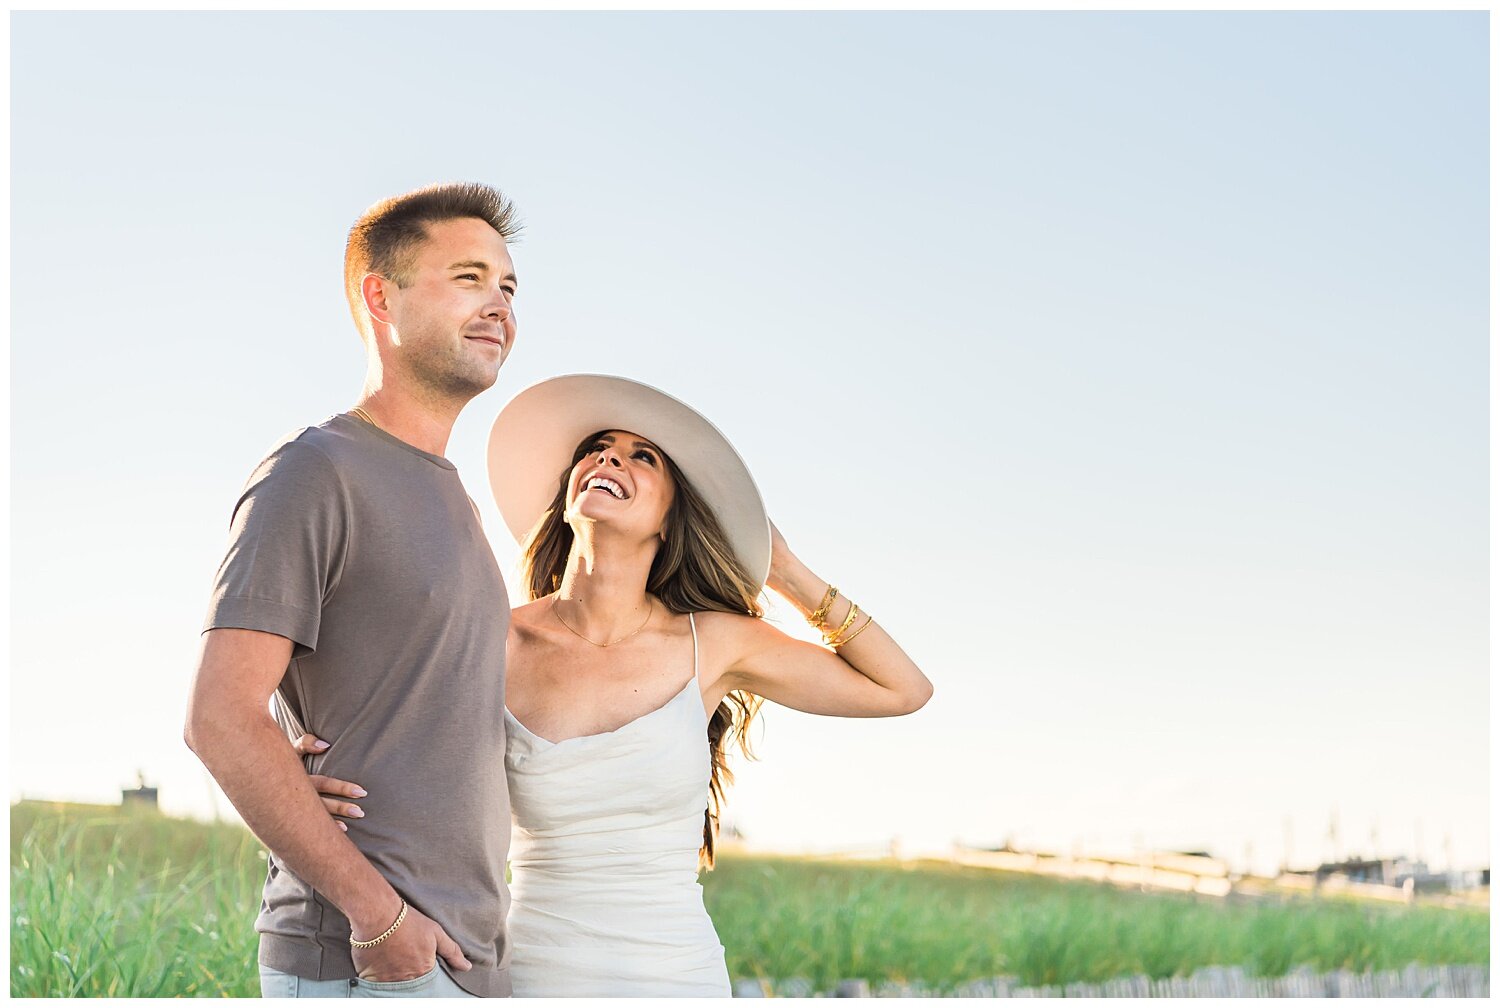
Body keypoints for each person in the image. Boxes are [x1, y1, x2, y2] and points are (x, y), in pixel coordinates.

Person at [290, 374, 933, 996]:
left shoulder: (714, 642)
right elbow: (384, 720)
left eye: (641, 456)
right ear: (570, 493)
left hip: (681, 978)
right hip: (538, 974)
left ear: (670, 515)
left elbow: (901, 689)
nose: (609, 459)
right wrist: (301, 766)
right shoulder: (493, 639)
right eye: (595, 450)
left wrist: (786, 572)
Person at [184, 181, 523, 998]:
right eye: (470, 278)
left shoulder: (460, 503)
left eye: (509, 287)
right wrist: (380, 918)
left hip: (460, 960)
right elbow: (220, 717)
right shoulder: (316, 471)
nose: (499, 307)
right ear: (381, 296)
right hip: (367, 961)